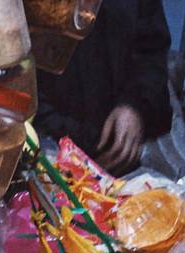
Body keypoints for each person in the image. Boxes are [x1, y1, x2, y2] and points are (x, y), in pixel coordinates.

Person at [33, 0, 172, 175]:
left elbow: (152, 52)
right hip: (41, 151)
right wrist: (76, 140)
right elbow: (14, 72)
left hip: (115, 158)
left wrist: (134, 106)